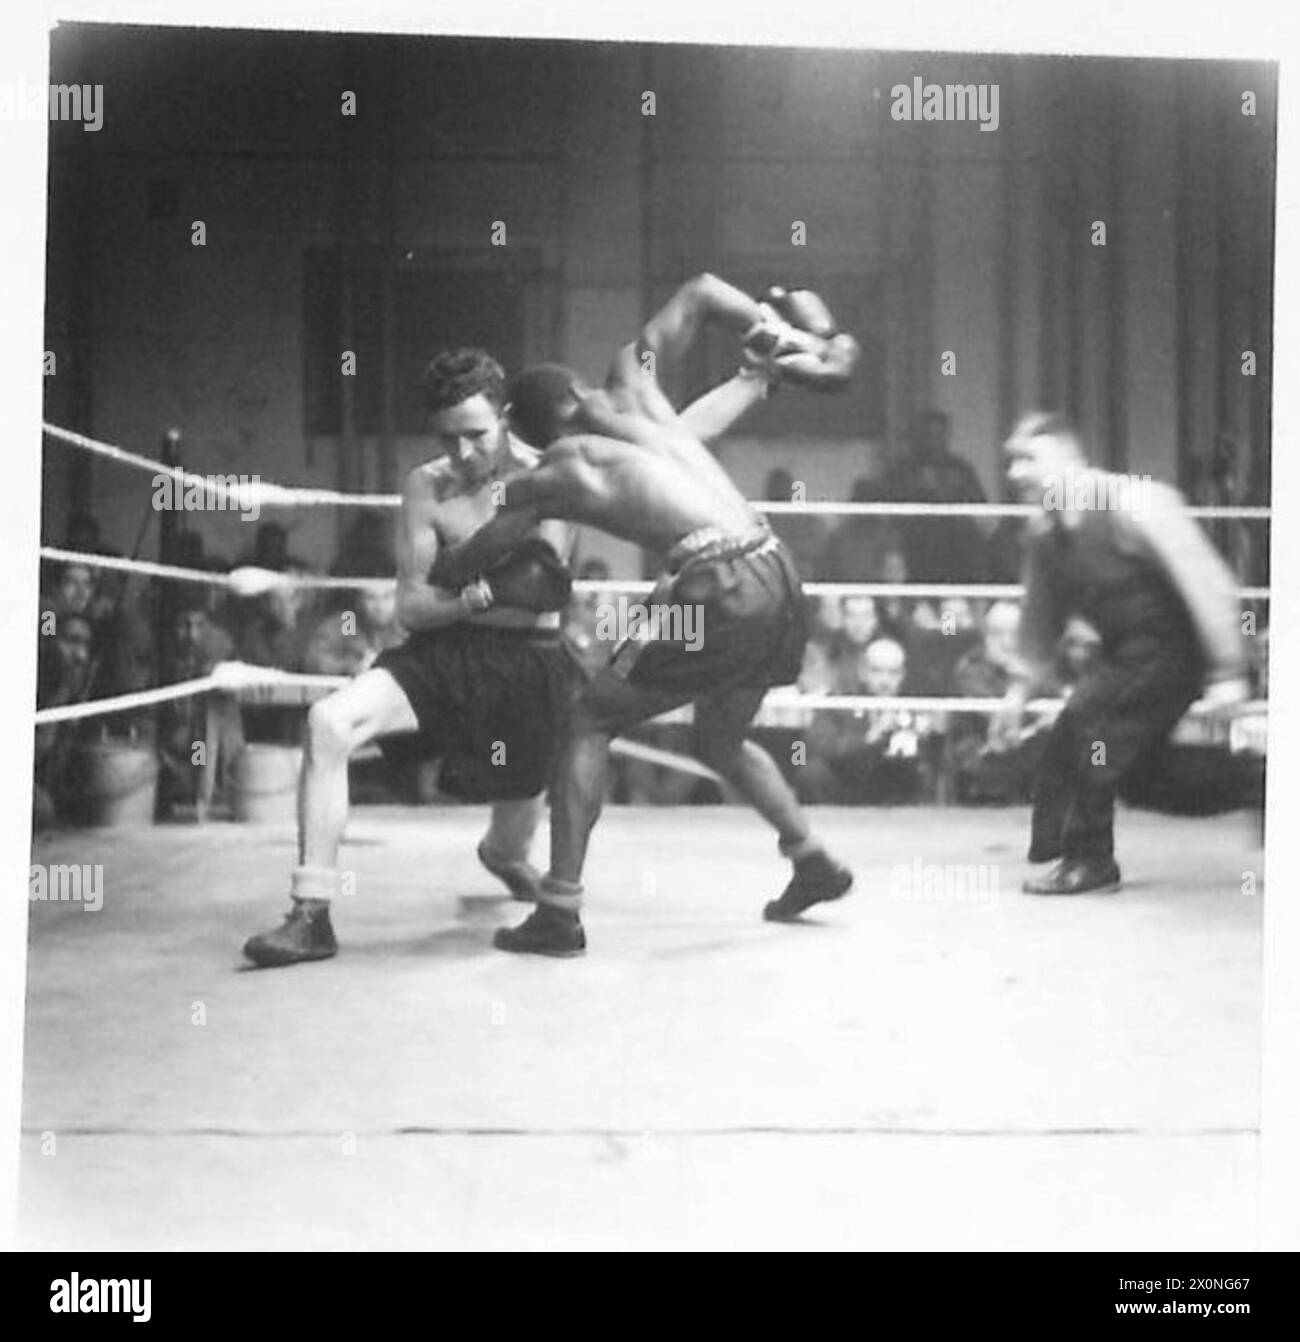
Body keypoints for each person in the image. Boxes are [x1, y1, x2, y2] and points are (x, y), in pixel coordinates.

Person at [429, 274, 860, 955]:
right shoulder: (635, 380)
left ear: (527, 431)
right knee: (719, 739)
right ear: (577, 390)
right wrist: (792, 336)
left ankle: (560, 911)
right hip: (776, 570)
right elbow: (700, 292)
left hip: (714, 585)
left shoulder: (554, 472)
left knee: (587, 718)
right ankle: (811, 859)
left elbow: (477, 555)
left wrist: (444, 568)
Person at [241, 348, 585, 967]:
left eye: (477, 435)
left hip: (531, 667)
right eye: (448, 439)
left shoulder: (551, 474)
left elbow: (542, 590)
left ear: (505, 417)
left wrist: (467, 581)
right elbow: (412, 608)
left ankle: (510, 865)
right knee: (327, 724)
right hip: (448, 654)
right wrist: (470, 599)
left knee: (510, 841)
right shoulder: (425, 487)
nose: (464, 453)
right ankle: (310, 915)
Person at [991, 412, 1251, 894]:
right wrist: (1017, 694)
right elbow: (1038, 619)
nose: (1015, 474)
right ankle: (1264, 784)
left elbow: (1207, 581)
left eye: (1028, 459)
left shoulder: (1135, 502)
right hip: (1127, 652)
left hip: (1176, 647)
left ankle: (1089, 860)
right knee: (1140, 775)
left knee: (1089, 718)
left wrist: (1228, 670)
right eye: (1012, 462)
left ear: (1071, 459)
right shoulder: (1044, 533)